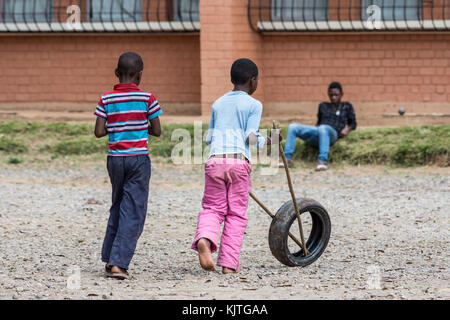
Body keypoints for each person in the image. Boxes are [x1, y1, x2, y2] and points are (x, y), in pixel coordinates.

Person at [191, 58, 281, 274]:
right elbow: (250, 138)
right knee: (236, 214)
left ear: (232, 79)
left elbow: (208, 138)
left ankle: (205, 239)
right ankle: (229, 265)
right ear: (253, 81)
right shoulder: (254, 104)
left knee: (212, 208)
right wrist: (270, 141)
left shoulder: (218, 103)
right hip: (238, 162)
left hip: (215, 161)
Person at [94, 52, 162, 279]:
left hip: (115, 159)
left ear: (116, 73)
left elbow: (99, 132)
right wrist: (141, 128)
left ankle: (109, 257)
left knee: (118, 204)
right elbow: (158, 130)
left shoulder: (106, 98)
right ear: (140, 75)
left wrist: (117, 129)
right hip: (138, 159)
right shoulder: (147, 98)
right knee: (133, 209)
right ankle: (119, 264)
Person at [282, 82, 357, 171]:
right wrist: (310, 134)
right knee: (293, 127)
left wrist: (347, 129)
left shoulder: (346, 106)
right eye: (331, 95)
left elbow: (353, 123)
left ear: (341, 94)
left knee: (323, 128)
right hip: (319, 131)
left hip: (332, 134)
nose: (333, 97)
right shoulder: (323, 106)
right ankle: (286, 160)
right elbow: (318, 123)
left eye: (336, 95)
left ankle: (322, 162)